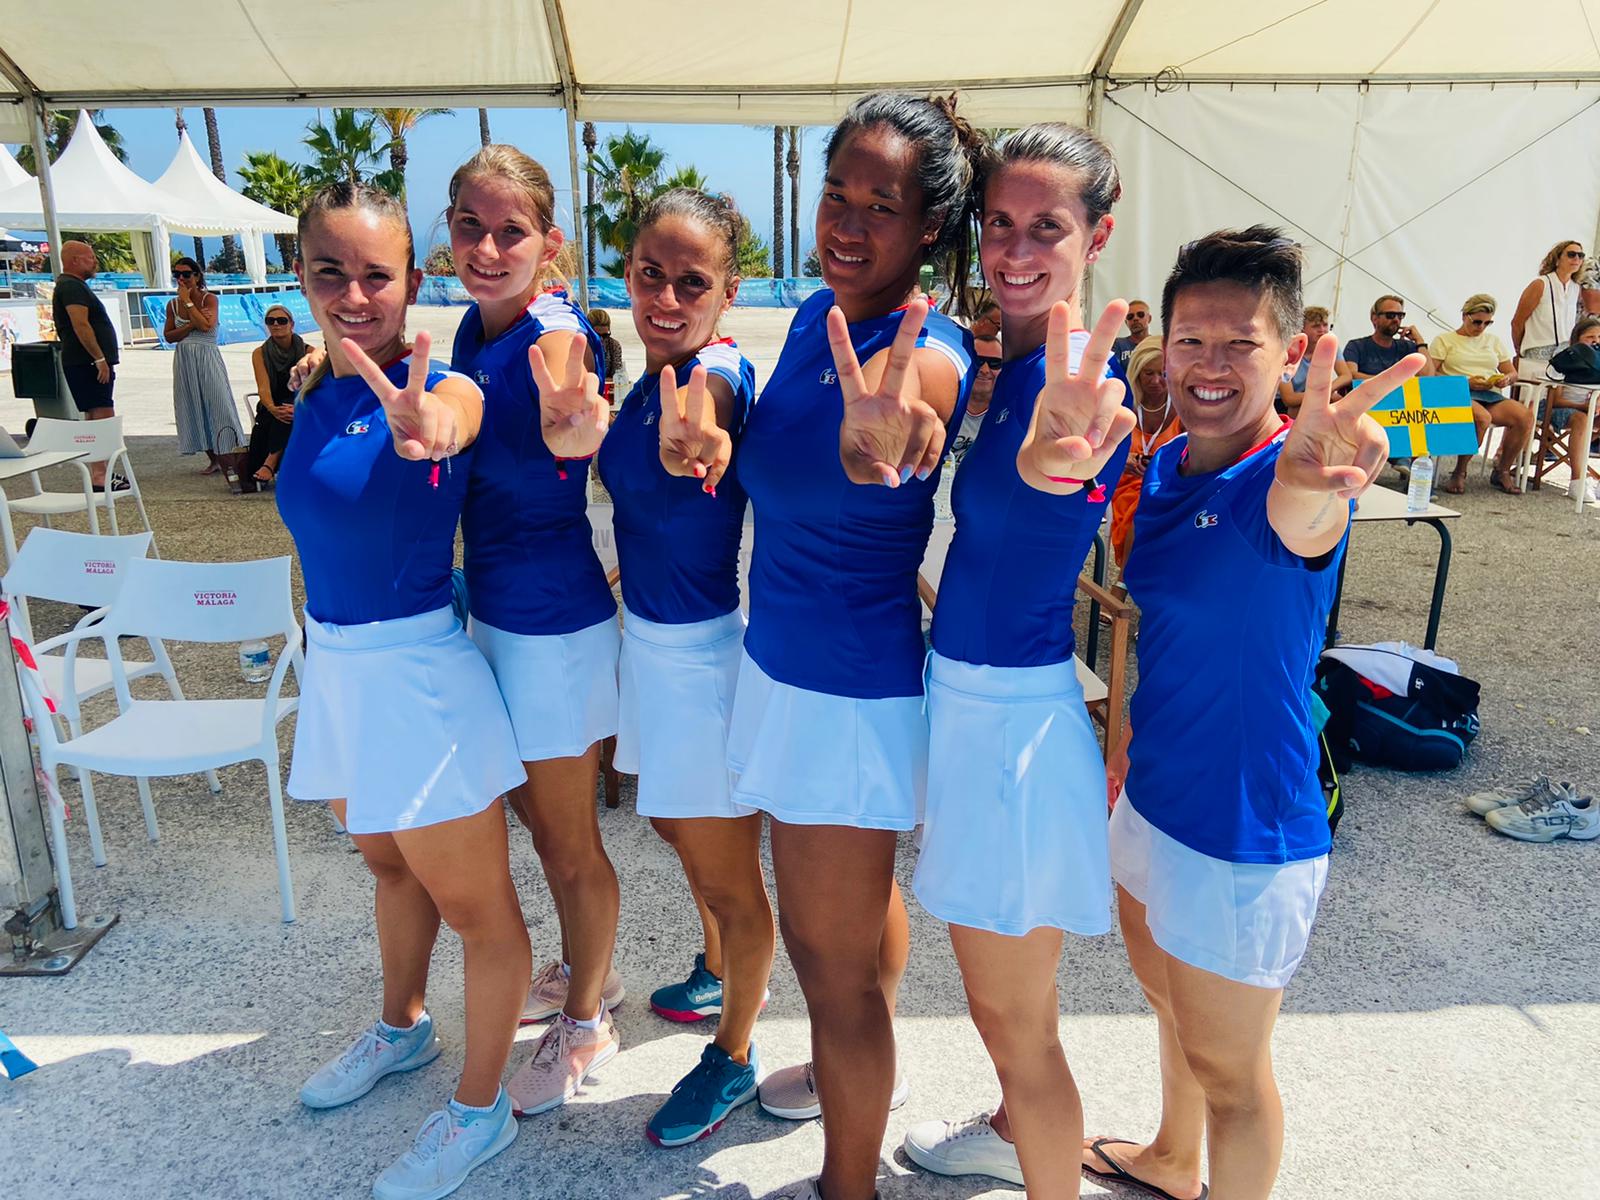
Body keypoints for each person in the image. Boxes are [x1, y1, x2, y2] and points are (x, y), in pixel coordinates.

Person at [1083, 226, 1414, 1200]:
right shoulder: (1168, 457)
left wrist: (1318, 477)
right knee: (1164, 1003)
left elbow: (1308, 514)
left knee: (1232, 1071)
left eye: (1241, 344)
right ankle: (1171, 1158)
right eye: (1192, 340)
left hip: (1243, 831)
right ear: (1163, 346)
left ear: (1287, 353)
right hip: (1151, 798)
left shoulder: (1285, 475)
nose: (1211, 364)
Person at [730, 91, 978, 1200]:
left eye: (881, 205)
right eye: (837, 192)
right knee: (855, 929)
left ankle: (848, 1186)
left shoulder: (926, 345)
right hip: (783, 662)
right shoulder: (808, 320)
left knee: (829, 973)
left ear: (927, 229)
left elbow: (909, 411)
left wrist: (889, 429)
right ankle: (851, 1082)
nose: (847, 220)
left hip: (843, 693)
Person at [899, 121, 1135, 1200]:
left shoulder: (1080, 384)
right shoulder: (1025, 362)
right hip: (977, 712)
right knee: (1009, 1009)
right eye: (1000, 223)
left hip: (1010, 732)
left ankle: (1042, 1170)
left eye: (1048, 226)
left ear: (1098, 236)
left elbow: (1058, 463)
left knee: (1017, 1023)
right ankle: (1008, 1130)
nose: (1016, 248)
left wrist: (1052, 454)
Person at [283, 181, 529, 1200]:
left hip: (417, 683)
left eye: (375, 274)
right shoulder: (318, 391)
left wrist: (437, 417)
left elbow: (454, 414)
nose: (352, 293)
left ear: (411, 282)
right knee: (389, 870)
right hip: (336, 671)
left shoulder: (442, 384)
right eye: (328, 272)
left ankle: (483, 1111)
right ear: (301, 277)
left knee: (482, 914)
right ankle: (403, 1027)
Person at [443, 145, 626, 1118]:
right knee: (531, 816)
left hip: (551, 627)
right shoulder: (474, 327)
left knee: (567, 842)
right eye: (470, 225)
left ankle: (589, 1019)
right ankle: (580, 967)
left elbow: (570, 411)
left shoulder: (554, 334)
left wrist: (576, 425)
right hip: (499, 618)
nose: (487, 244)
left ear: (549, 245)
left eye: (510, 229)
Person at [594, 187, 775, 1147]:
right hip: (648, 651)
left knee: (733, 878)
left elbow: (707, 421)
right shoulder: (642, 375)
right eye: (649, 275)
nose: (667, 296)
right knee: (677, 826)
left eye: (692, 281)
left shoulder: (718, 373)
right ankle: (714, 969)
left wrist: (698, 437)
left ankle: (735, 1057)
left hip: (702, 662)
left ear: (728, 290)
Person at [1427, 293, 1533, 495]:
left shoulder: (1493, 341)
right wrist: (1465, 382)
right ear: (1464, 316)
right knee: (1483, 418)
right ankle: (1460, 470)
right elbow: (1431, 373)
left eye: (1487, 323)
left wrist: (1506, 379)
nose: (1481, 327)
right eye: (1477, 322)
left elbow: (1511, 371)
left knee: (1524, 416)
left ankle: (1502, 470)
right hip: (1457, 393)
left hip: (1489, 393)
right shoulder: (1445, 340)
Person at [163, 257, 245, 475]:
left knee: (219, 404)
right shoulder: (172, 305)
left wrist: (188, 303)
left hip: (207, 356)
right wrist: (191, 323)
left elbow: (207, 327)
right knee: (193, 406)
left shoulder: (209, 299)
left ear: (197, 276)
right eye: (177, 274)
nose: (181, 279)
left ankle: (231, 455)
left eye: (186, 274)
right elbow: (169, 336)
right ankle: (213, 457)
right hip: (185, 360)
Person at [1110, 334, 1181, 570]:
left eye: (1162, 373)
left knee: (1153, 505)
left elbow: (1192, 456)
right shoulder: (1121, 405)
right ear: (1137, 371)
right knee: (1145, 509)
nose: (1156, 380)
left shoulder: (1183, 407)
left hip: (1166, 485)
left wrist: (1160, 468)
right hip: (1122, 484)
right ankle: (1128, 582)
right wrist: (1122, 460)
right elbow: (1098, 453)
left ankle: (1123, 585)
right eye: (1148, 373)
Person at [50, 240, 117, 487]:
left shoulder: (73, 286)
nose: (94, 262)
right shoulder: (71, 287)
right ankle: (100, 473)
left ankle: (99, 471)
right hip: (86, 362)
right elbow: (80, 324)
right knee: (102, 414)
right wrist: (98, 357)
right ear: (75, 260)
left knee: (96, 412)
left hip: (83, 362)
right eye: (89, 258)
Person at [240, 303, 304, 490]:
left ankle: (270, 462)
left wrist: (298, 408)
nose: (276, 324)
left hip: (301, 404)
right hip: (271, 406)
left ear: (291, 324)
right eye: (271, 321)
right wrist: (273, 409)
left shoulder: (307, 351)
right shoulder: (260, 353)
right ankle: (271, 463)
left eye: (281, 320)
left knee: (290, 412)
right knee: (283, 414)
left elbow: (313, 388)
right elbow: (263, 388)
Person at [1541, 315, 1600, 504]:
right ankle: (1577, 481)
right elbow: (1556, 399)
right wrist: (1584, 406)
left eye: (1599, 337)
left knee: (1586, 418)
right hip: (1561, 408)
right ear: (1577, 339)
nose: (1596, 342)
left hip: (1591, 409)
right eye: (1590, 337)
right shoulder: (1565, 358)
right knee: (1581, 419)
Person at [1511, 239, 1586, 382]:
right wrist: (1520, 350)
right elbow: (1517, 322)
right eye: (1571, 254)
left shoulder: (1576, 289)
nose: (1577, 258)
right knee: (1531, 400)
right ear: (1557, 259)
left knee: (1554, 401)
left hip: (1563, 357)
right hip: (1536, 354)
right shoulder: (1540, 284)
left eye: (1580, 255)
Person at [1276, 307, 1353, 412]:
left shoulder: (1330, 346)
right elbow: (1289, 399)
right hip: (1281, 404)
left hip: (1310, 396)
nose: (1322, 330)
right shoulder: (1288, 350)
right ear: (1302, 329)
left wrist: (1328, 389)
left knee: (1342, 406)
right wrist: (1324, 394)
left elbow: (1346, 376)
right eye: (1316, 326)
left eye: (1325, 325)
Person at [1340, 294, 1432, 379]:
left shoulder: (1408, 347)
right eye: (1390, 315)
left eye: (1400, 316)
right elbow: (1350, 376)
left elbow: (1428, 377)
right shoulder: (1356, 346)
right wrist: (1391, 382)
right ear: (1374, 318)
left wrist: (1420, 342)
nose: (1396, 319)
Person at [950, 331, 1000, 465]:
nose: (985, 369)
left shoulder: (1006, 415)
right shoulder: (945, 407)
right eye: (978, 361)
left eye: (995, 363)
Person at [588, 306, 629, 401]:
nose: (601, 339)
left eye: (605, 335)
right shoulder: (583, 345)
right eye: (597, 335)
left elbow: (617, 377)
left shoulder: (614, 345)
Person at [1112, 298, 1153, 367]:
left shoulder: (1158, 343)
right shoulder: (1118, 344)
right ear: (1126, 322)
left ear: (1149, 318)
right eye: (1130, 316)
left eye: (1140, 314)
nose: (1135, 318)